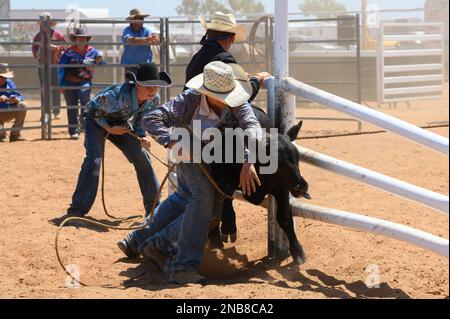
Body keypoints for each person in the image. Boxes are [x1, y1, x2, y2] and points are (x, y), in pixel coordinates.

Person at [118, 61, 262, 284]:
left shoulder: (238, 102)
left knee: (185, 197)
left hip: (214, 158)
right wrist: (174, 142)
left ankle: (137, 240)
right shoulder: (190, 100)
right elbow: (151, 119)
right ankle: (181, 264)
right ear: (208, 92)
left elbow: (252, 127)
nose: (226, 100)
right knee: (203, 198)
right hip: (190, 155)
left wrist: (249, 159)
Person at [58, 63, 172, 223]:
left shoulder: (153, 100)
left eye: (156, 86)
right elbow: (90, 110)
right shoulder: (117, 95)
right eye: (148, 86)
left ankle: (153, 211)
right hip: (95, 122)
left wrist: (141, 136)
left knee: (142, 157)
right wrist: (109, 128)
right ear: (138, 85)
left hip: (120, 123)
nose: (153, 90)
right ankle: (76, 210)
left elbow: (141, 120)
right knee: (94, 160)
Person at [184, 11, 271, 98]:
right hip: (207, 111)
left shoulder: (197, 56)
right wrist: (257, 79)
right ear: (232, 39)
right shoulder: (224, 58)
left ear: (208, 34)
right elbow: (243, 96)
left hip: (191, 108)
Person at [58, 27, 105, 139]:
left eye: (83, 38)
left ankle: (84, 125)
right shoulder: (68, 53)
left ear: (86, 39)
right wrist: (61, 84)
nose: (81, 40)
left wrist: (100, 60)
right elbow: (60, 68)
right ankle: (74, 130)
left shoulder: (92, 51)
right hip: (68, 82)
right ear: (75, 39)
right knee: (71, 105)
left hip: (84, 81)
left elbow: (101, 62)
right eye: (79, 38)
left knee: (85, 99)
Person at [32, 12, 66, 119]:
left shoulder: (58, 35)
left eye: (47, 22)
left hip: (55, 65)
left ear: (51, 23)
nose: (45, 24)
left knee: (56, 88)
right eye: (43, 22)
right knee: (44, 89)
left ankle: (56, 110)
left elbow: (65, 46)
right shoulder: (37, 36)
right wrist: (39, 53)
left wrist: (56, 48)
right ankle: (45, 112)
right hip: (43, 66)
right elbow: (34, 49)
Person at [121, 8, 160, 78]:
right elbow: (131, 40)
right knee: (132, 86)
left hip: (145, 66)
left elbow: (155, 40)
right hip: (131, 66)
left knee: (146, 87)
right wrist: (148, 39)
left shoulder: (146, 30)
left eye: (141, 19)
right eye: (139, 18)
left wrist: (155, 38)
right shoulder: (127, 30)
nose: (141, 21)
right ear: (132, 21)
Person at [0, 64, 27, 142]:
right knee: (2, 138)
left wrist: (16, 99)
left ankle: (15, 134)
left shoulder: (9, 82)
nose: (3, 79)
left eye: (4, 77)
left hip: (7, 111)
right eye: (1, 77)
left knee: (23, 105)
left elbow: (20, 96)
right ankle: (2, 134)